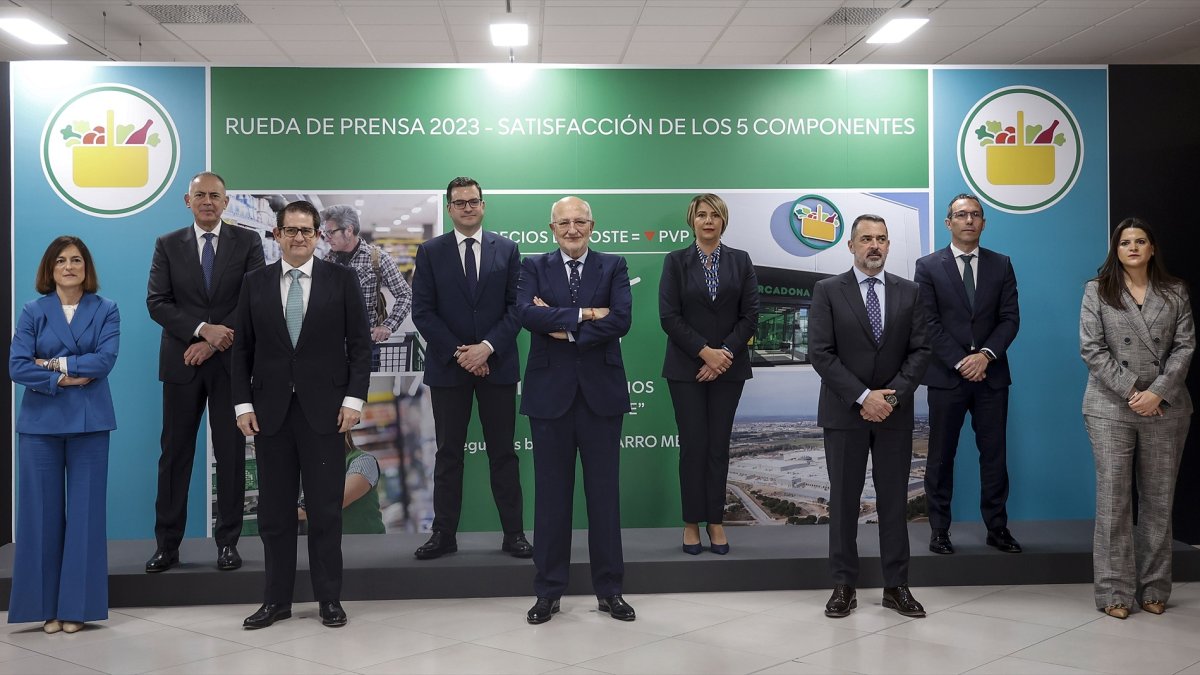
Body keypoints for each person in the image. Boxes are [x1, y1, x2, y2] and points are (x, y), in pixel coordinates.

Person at [232, 201, 372, 630]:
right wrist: (242, 406)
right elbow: (242, 351)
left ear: (318, 236)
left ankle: (330, 599)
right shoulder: (254, 282)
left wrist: (353, 401)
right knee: (274, 515)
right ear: (276, 234)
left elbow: (361, 347)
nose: (298, 238)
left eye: (306, 231)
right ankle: (276, 601)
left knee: (326, 511)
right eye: (290, 230)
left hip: (326, 414)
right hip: (270, 414)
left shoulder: (342, 280)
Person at [517, 196, 635, 624]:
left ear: (592, 225)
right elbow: (527, 314)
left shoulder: (614, 265)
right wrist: (586, 314)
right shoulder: (533, 267)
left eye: (579, 221)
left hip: (601, 397)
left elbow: (621, 319)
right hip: (549, 398)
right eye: (563, 222)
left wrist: (564, 328)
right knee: (551, 500)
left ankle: (610, 591)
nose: (572, 229)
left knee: (604, 499)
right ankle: (548, 592)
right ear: (551, 227)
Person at [808, 214, 931, 619]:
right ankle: (844, 585)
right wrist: (863, 397)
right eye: (866, 239)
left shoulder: (910, 292)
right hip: (845, 413)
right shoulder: (827, 290)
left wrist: (889, 399)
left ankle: (897, 587)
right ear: (851, 245)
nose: (873, 245)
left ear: (889, 245)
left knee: (894, 502)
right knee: (844, 501)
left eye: (880, 239)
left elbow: (920, 351)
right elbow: (821, 353)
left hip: (893, 415)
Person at [146, 171, 265, 574]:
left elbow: (254, 298)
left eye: (215, 195)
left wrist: (213, 340)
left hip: (231, 364)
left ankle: (228, 543)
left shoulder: (248, 242)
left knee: (230, 455)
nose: (208, 202)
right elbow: (157, 302)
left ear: (227, 202)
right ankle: (167, 545)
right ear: (187, 200)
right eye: (201, 195)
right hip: (182, 365)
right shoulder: (167, 244)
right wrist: (200, 329)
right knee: (175, 455)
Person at [410, 177, 529, 560]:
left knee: (503, 454)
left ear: (483, 204)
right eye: (459, 202)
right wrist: (462, 353)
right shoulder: (430, 252)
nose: (467, 207)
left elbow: (517, 308)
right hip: (449, 367)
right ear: (449, 208)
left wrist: (487, 349)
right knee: (448, 454)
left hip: (497, 366)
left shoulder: (508, 250)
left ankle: (514, 534)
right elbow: (423, 312)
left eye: (473, 201)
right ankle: (443, 534)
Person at [1080, 218, 1193, 619]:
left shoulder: (1175, 291)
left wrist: (1157, 392)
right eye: (1125, 242)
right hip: (1111, 407)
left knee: (1159, 503)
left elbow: (1184, 347)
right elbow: (1091, 349)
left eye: (1140, 241)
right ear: (1116, 248)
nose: (1132, 247)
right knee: (1114, 501)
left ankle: (1155, 589)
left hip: (1166, 406)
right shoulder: (1097, 290)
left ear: (1152, 248)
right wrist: (1133, 392)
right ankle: (1114, 592)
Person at [8, 236, 120, 634]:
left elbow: (103, 361)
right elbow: (18, 367)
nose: (69, 266)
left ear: (86, 267)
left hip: (90, 424)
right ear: (49, 269)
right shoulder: (32, 310)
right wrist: (68, 378)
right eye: (60, 260)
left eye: (76, 259)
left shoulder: (106, 309)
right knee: (39, 515)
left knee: (87, 515)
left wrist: (50, 364)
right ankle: (44, 609)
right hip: (40, 425)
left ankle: (77, 608)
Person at [914, 194, 1021, 555]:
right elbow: (927, 323)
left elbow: (1010, 318)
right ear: (949, 223)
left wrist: (985, 356)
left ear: (984, 222)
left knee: (994, 456)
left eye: (976, 215)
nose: (969, 220)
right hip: (947, 376)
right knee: (941, 456)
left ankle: (997, 528)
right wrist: (962, 360)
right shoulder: (928, 266)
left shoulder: (1001, 264)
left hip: (991, 376)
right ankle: (939, 530)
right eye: (961, 215)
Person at [659, 194, 759, 555]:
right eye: (701, 214)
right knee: (693, 448)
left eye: (715, 215)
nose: (708, 221)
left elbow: (750, 315)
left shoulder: (741, 261)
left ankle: (715, 521)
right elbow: (669, 316)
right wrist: (705, 352)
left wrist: (724, 355)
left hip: (728, 371)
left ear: (723, 221)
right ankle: (690, 523)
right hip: (687, 370)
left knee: (718, 448)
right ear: (692, 221)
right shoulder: (676, 261)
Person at [320, 204, 412, 369]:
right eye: (325, 233)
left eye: (330, 232)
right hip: (329, 345)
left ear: (349, 230)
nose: (327, 238)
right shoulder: (327, 260)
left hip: (364, 345)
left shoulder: (378, 258)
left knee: (359, 394)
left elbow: (405, 295)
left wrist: (388, 325)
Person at [299, 434, 385, 535]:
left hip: (364, 545)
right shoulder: (307, 466)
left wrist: (281, 513)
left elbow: (334, 502)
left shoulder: (363, 461)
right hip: (322, 546)